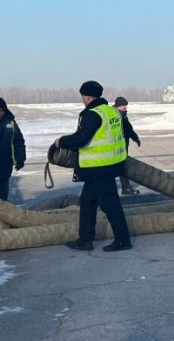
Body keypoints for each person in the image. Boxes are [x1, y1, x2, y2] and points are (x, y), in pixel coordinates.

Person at [55, 81, 132, 252]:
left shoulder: (92, 114)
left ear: (87, 97)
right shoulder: (111, 111)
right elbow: (125, 130)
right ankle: (85, 240)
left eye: (83, 96)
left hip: (98, 167)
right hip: (110, 165)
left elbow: (82, 139)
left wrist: (61, 141)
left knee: (110, 205)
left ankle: (123, 240)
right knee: (87, 202)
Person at [113, 96, 140, 195]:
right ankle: (125, 188)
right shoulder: (115, 116)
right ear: (118, 106)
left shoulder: (123, 115)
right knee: (121, 168)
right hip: (116, 147)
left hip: (122, 146)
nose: (125, 107)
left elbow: (128, 129)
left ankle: (125, 187)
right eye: (123, 105)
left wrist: (135, 138)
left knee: (122, 168)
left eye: (126, 105)